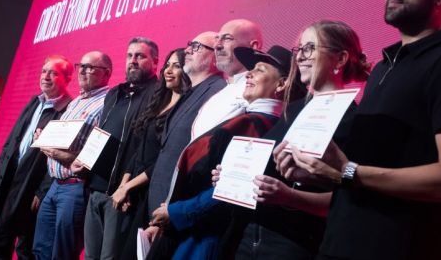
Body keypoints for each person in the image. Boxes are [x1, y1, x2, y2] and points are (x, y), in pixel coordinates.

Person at [277, 0, 441, 260]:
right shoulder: (381, 70)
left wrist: (348, 171)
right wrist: (315, 169)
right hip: (336, 246)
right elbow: (360, 171)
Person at [222, 20, 370, 259]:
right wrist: (231, 176)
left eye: (310, 48)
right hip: (250, 237)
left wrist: (290, 197)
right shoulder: (292, 110)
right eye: (299, 49)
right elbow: (268, 172)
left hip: (295, 245)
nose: (300, 57)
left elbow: (349, 200)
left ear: (340, 59)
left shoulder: (353, 119)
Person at [147, 45, 295, 260]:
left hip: (208, 236)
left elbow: (232, 192)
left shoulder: (260, 126)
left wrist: (178, 212)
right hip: (191, 228)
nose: (250, 74)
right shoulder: (245, 119)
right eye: (252, 69)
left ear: (281, 84)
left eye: (261, 70)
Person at [74, 38, 159, 260]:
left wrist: (127, 187)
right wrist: (84, 160)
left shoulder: (159, 95)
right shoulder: (115, 94)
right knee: (90, 256)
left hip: (122, 195)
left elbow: (146, 148)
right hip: (95, 188)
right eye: (130, 56)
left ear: (155, 61)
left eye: (140, 56)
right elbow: (100, 135)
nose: (133, 61)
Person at [0, 55, 73, 260]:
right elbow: (12, 142)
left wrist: (43, 190)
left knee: (26, 249)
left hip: (33, 189)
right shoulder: (34, 101)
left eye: (54, 73)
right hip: (10, 182)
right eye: (44, 71)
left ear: (67, 79)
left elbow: (59, 157)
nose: (46, 76)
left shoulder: (68, 110)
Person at [110, 48, 191, 260]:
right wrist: (123, 185)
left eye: (177, 66)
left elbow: (161, 161)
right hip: (130, 192)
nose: (169, 71)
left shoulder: (186, 109)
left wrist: (129, 186)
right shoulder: (159, 102)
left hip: (150, 192)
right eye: (168, 65)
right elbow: (138, 150)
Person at [33, 51, 112, 260]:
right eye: (81, 66)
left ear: (106, 74)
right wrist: (45, 137)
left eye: (90, 67)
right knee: (40, 249)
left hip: (76, 188)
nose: (83, 71)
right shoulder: (76, 101)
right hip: (55, 185)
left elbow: (94, 153)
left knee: (63, 253)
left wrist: (51, 150)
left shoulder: (107, 103)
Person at [146, 32, 226, 220]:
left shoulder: (217, 91)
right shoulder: (190, 91)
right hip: (159, 196)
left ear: (214, 56)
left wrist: (176, 207)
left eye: (197, 47)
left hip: (176, 204)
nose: (188, 49)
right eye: (190, 44)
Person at [191, 19, 263, 139]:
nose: (217, 45)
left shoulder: (260, 90)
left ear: (253, 46)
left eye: (227, 38)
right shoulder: (222, 91)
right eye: (217, 39)